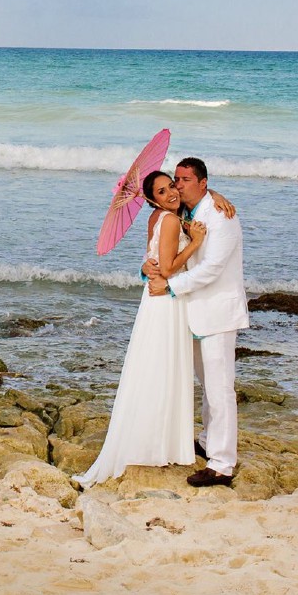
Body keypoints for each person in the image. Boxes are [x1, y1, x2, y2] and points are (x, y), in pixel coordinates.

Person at [73, 170, 204, 488]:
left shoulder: (158, 219)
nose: (171, 193)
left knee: (152, 367)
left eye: (171, 186)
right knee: (164, 367)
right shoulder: (170, 221)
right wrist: (195, 242)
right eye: (162, 191)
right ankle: (160, 444)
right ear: (151, 200)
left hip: (154, 301)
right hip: (166, 303)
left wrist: (150, 267)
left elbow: (153, 259)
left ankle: (154, 439)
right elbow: (170, 267)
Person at [145, 156, 248, 488]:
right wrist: (150, 268)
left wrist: (170, 287)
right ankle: (206, 440)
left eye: (185, 179)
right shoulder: (183, 213)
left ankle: (221, 464)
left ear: (203, 182)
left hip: (217, 312)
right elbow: (166, 256)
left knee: (220, 389)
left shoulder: (221, 216)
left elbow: (213, 268)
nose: (177, 185)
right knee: (207, 384)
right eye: (175, 179)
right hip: (191, 312)